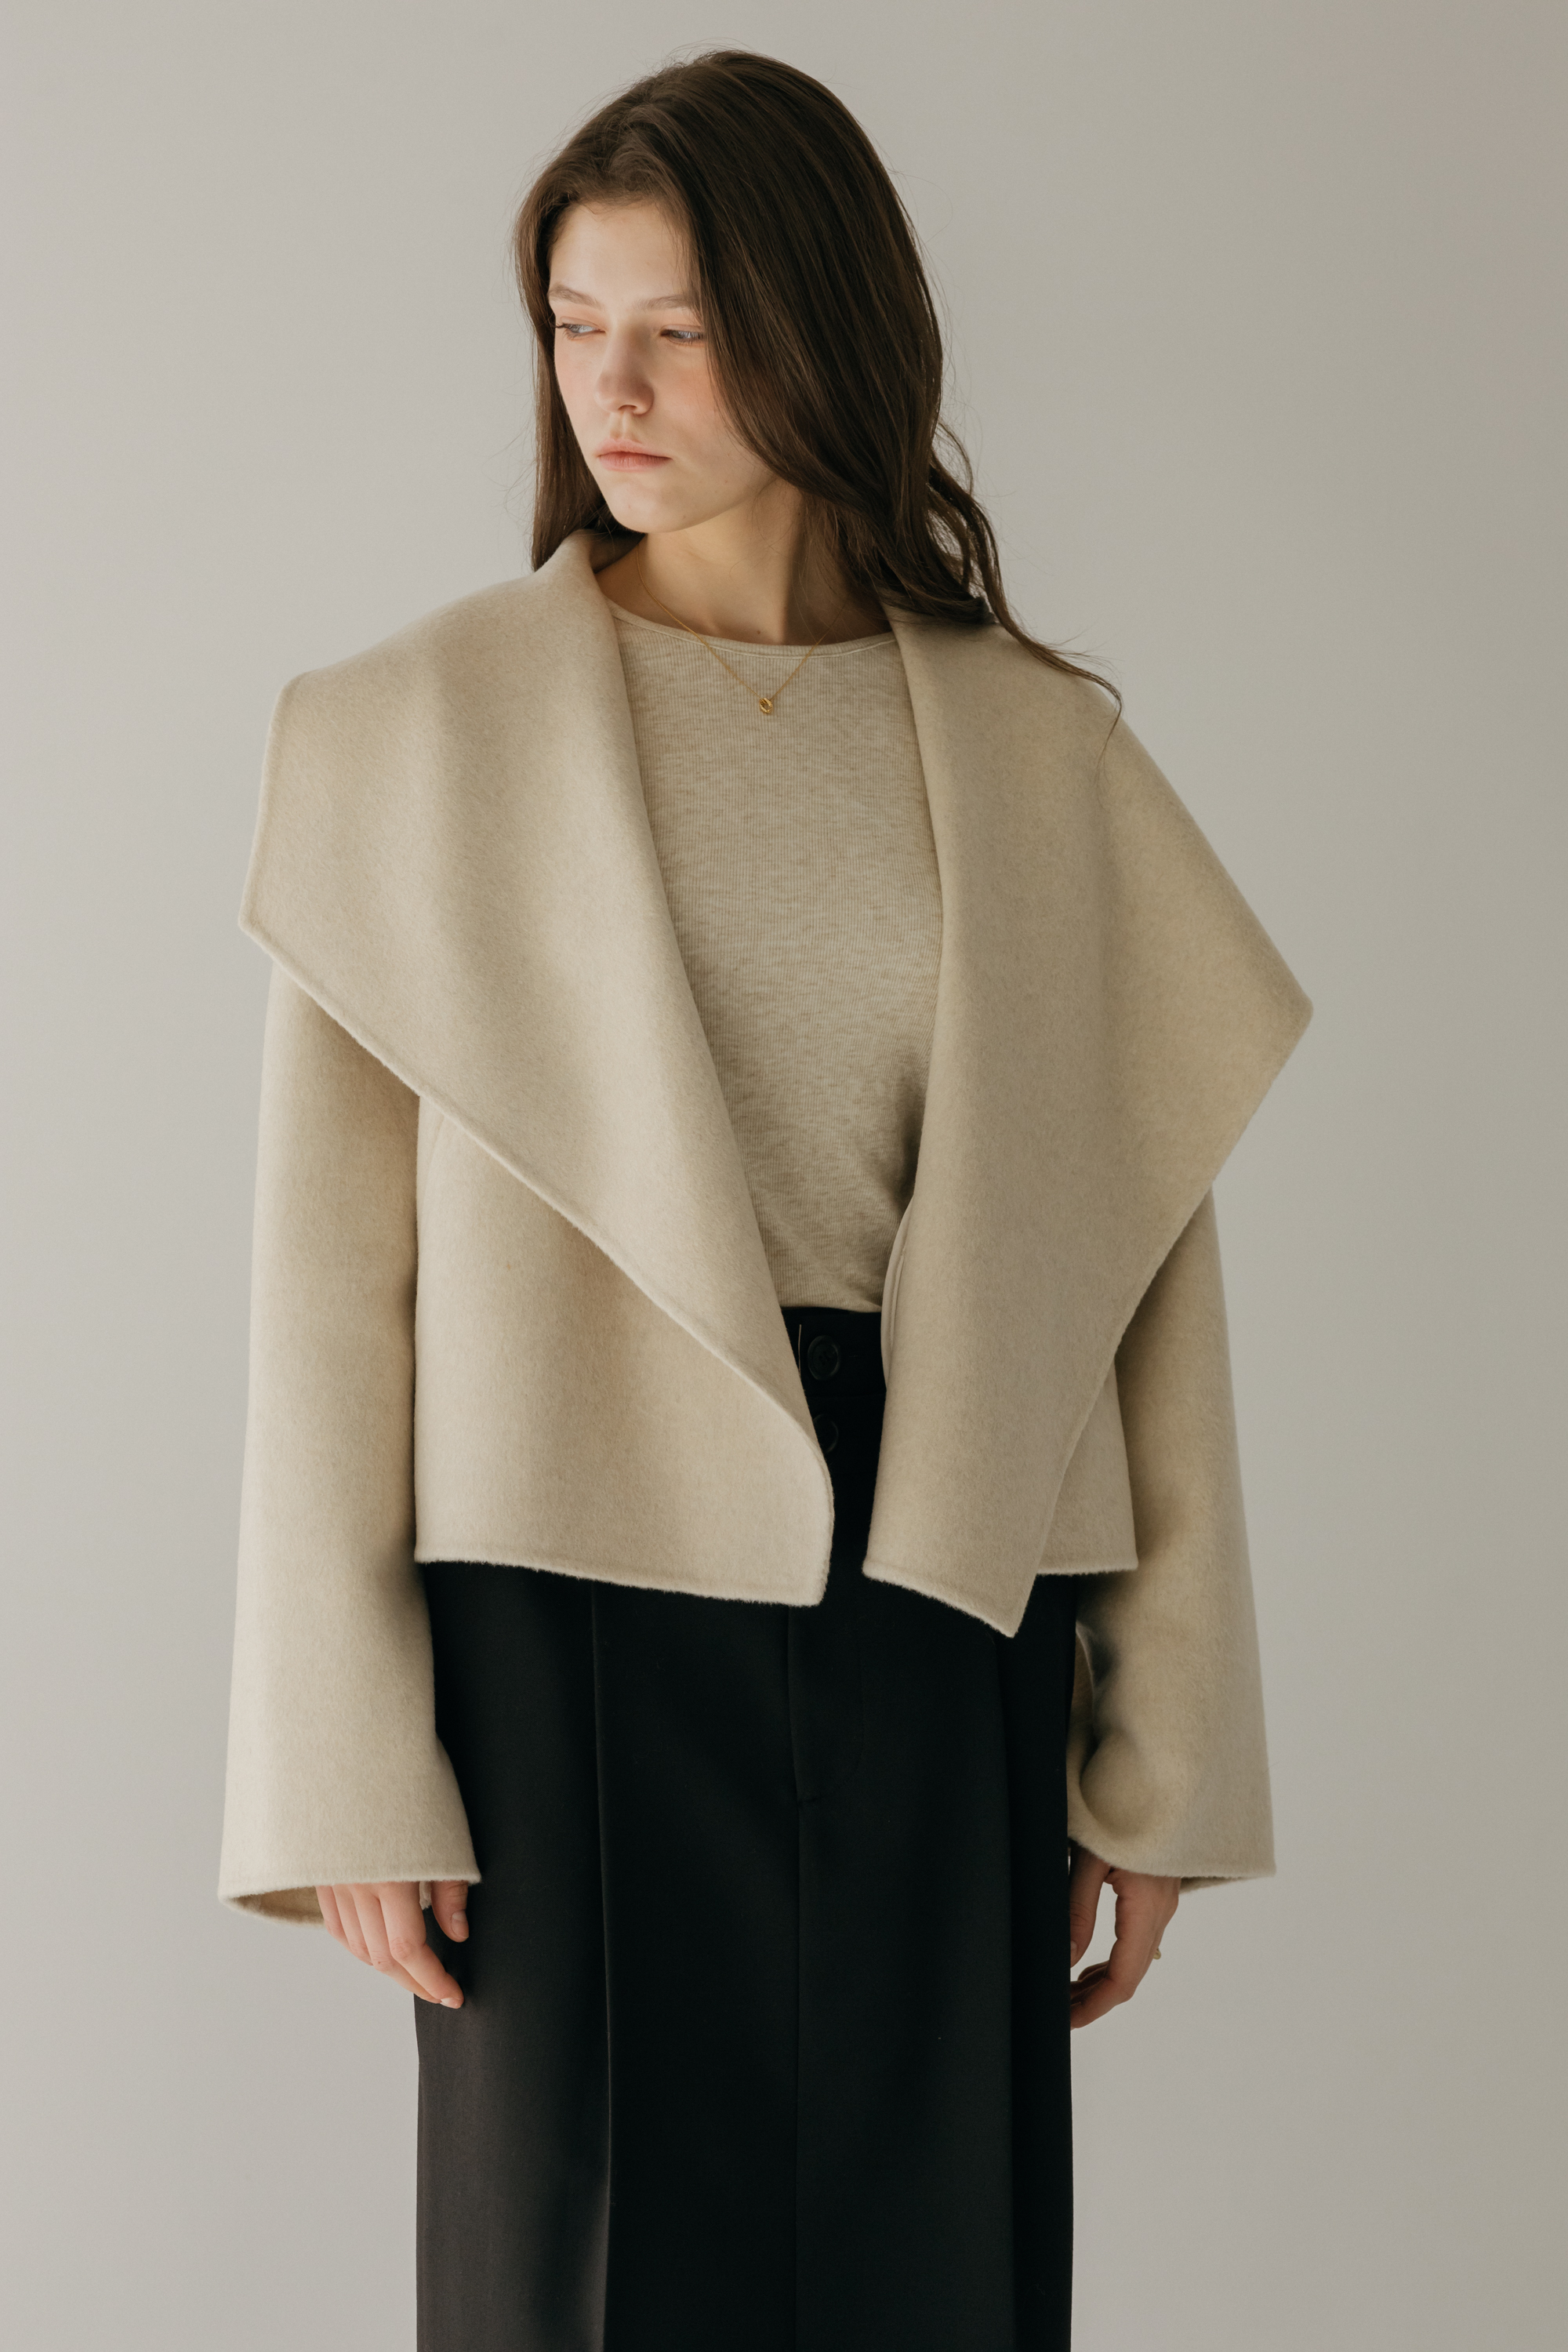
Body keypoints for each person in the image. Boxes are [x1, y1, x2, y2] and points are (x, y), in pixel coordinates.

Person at [218, 49, 1310, 2352]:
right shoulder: (418, 734)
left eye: (678, 331)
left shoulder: (1036, 752)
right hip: (556, 1607)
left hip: (943, 1580)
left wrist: (1165, 1756)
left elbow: (1137, 1268)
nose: (607, 390)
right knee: (578, 2296)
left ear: (823, 331)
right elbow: (329, 1297)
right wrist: (344, 1758)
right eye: (571, 323)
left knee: (943, 2280)